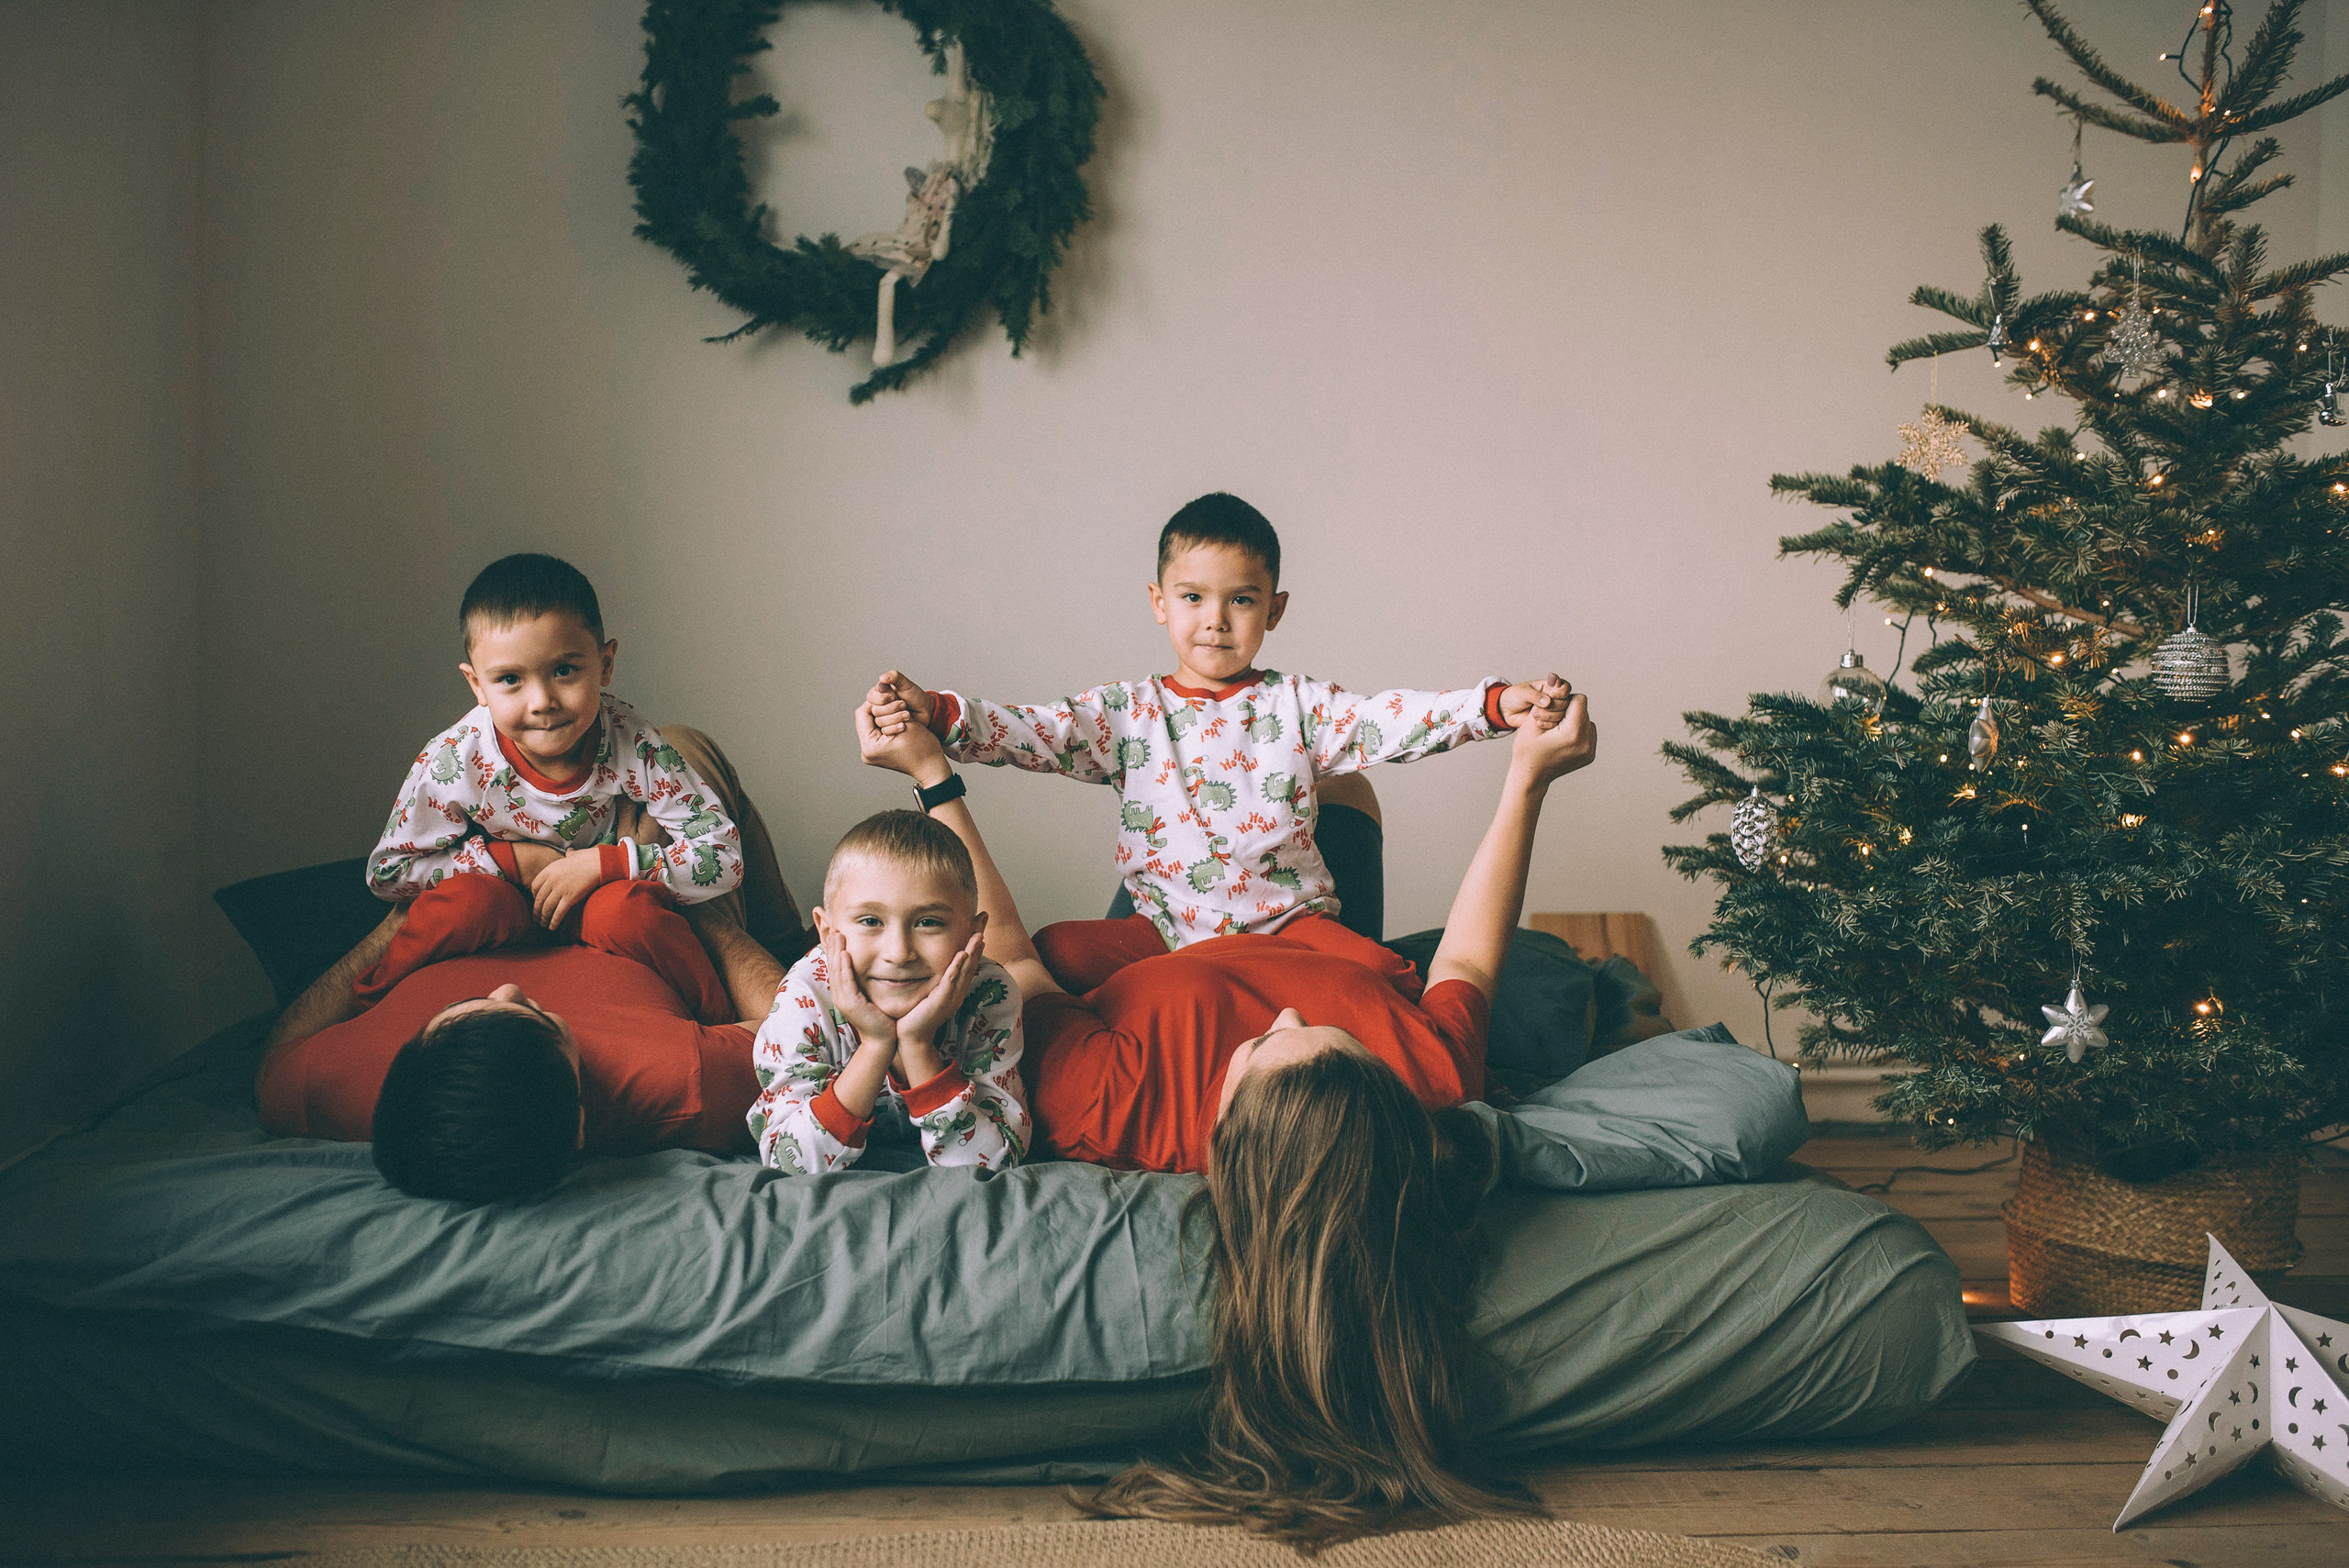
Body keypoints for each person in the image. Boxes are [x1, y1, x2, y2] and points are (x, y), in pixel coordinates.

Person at [852, 672, 1598, 1546]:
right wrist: (1529, 777)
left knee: (1291, 786)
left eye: (1270, 1043)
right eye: (1325, 1033)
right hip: (1330, 933)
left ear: (1227, 1132)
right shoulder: (1420, 1084)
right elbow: (1467, 958)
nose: (1285, 1014)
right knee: (1530, 964)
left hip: (1160, 938)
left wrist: (931, 773)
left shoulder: (1112, 1103)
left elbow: (1007, 949)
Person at [863, 492, 1571, 990]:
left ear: (1275, 609)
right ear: (1159, 601)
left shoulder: (1297, 705)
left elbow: (1394, 717)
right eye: (1194, 597)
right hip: (1163, 928)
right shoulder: (1127, 714)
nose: (1216, 620)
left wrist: (1496, 705)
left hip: (1289, 927)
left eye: (1241, 599)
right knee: (1056, 954)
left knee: (1386, 979)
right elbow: (1032, 730)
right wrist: (938, 711)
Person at [260, 727, 801, 1204]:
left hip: (487, 893)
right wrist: (653, 877)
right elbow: (800, 1030)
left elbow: (279, 1056)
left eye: (463, 1012)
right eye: (541, 1021)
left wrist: (401, 920)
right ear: (580, 1125)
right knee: (681, 745)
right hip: (636, 918)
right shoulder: (682, 1084)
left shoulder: (350, 1090)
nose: (509, 988)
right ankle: (780, 935)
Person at [357, 553, 744, 1022]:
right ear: (477, 685)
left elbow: (723, 857)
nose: (542, 702)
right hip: (503, 903)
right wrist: (513, 861)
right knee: (462, 906)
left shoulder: (633, 741)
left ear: (604, 664)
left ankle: (727, 1026)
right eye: (510, 680)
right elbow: (388, 873)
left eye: (564, 671)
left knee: (633, 914)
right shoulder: (456, 758)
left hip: (596, 900)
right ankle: (370, 1013)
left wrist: (609, 864)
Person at [748, 810, 1029, 1174]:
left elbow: (996, 1165)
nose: (898, 952)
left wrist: (916, 1044)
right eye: (870, 921)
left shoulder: (990, 996)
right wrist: (876, 1046)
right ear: (825, 930)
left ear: (973, 935)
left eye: (929, 922)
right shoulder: (805, 995)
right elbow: (793, 1164)